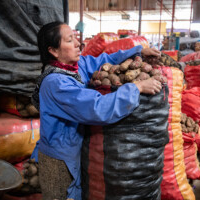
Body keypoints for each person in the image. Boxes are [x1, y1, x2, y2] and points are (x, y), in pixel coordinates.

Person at [31, 21, 162, 200]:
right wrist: (136, 88)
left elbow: (102, 61)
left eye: (76, 38)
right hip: (60, 162)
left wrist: (137, 52)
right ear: (53, 51)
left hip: (74, 152)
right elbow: (97, 109)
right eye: (70, 41)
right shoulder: (55, 83)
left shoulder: (75, 67)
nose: (78, 44)